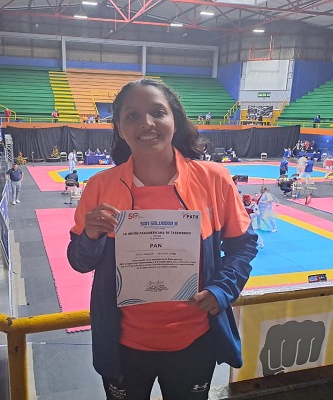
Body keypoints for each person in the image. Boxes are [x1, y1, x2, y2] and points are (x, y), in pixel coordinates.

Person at [67, 79, 258, 400]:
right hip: (123, 345)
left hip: (195, 341)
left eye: (158, 112)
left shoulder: (214, 178)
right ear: (119, 127)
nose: (147, 124)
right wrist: (91, 235)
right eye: (132, 116)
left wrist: (223, 289)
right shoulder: (100, 186)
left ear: (175, 120)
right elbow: (79, 261)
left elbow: (243, 245)